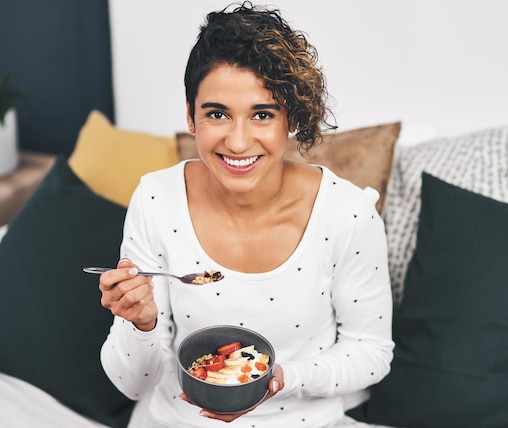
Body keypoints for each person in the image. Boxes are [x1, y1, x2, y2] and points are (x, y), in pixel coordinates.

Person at [98, 2, 394, 427]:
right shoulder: (156, 200)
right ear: (190, 117)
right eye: (217, 113)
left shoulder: (347, 215)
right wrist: (139, 324)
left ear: (288, 119)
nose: (238, 143)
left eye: (262, 114)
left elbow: (371, 351)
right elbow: (135, 386)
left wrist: (284, 379)